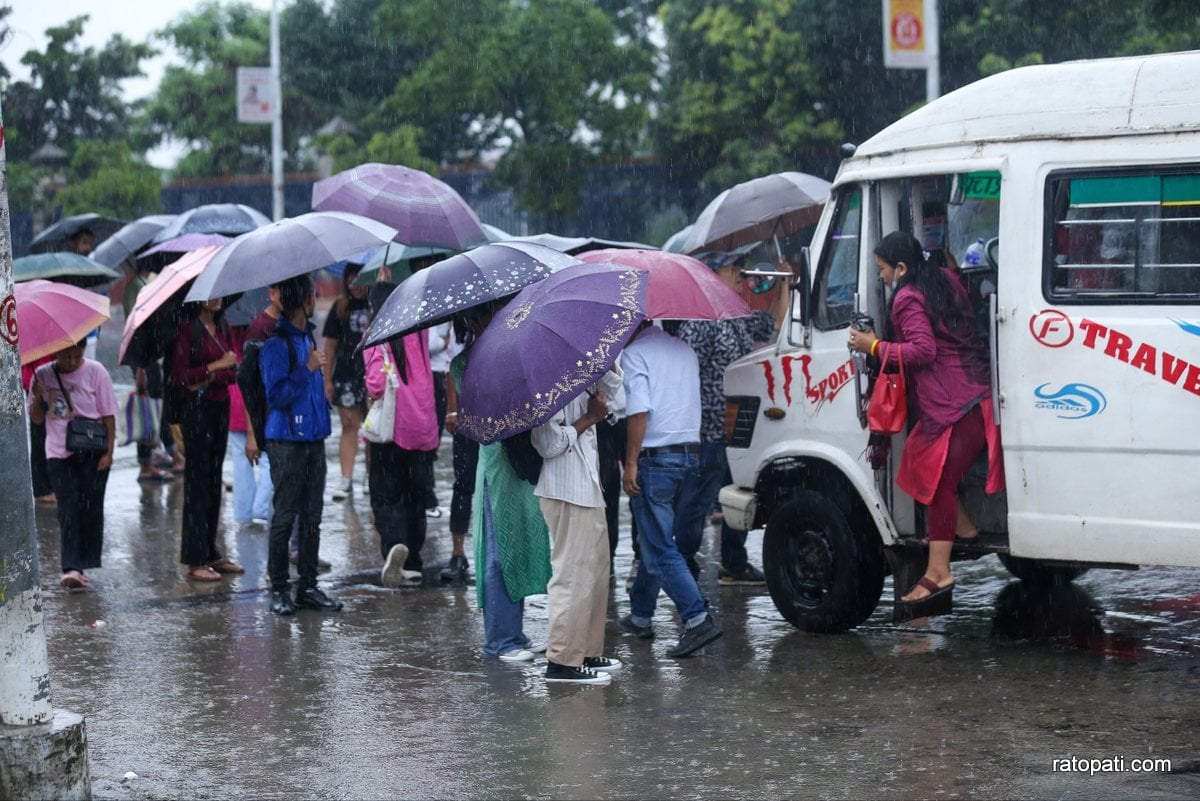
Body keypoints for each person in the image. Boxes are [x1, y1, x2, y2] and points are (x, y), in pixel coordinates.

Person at [847, 231, 1004, 607]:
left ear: (901, 268)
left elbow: (922, 350)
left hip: (957, 403)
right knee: (918, 461)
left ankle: (938, 573)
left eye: (883, 270)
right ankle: (962, 528)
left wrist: (873, 346)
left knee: (937, 484)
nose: (881, 278)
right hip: (973, 392)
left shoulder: (906, 298)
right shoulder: (944, 278)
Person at [675, 253, 788, 586]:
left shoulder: (736, 312)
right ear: (712, 274)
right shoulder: (699, 319)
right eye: (732, 268)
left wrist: (783, 282)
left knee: (737, 494)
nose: (740, 273)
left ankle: (733, 563)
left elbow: (776, 326)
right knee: (697, 502)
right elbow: (685, 374)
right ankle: (681, 567)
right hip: (706, 428)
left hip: (737, 425)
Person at [619, 321, 722, 657]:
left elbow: (638, 411)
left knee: (660, 547)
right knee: (656, 541)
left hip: (655, 460)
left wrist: (630, 461)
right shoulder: (684, 349)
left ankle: (697, 618)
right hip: (689, 457)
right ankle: (640, 615)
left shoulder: (634, 353)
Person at [454, 303, 550, 662]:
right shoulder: (463, 364)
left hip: (521, 464)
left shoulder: (515, 353)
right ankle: (500, 640)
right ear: (475, 321)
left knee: (520, 546)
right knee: (497, 551)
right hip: (496, 463)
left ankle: (514, 632)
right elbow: (486, 414)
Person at [531, 370, 626, 685]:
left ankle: (584, 651)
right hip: (565, 487)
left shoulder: (580, 368)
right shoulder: (549, 378)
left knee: (594, 574)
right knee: (571, 576)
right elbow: (547, 442)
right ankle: (562, 662)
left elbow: (616, 394)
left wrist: (606, 360)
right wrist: (588, 418)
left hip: (587, 484)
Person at [260, 275, 341, 615]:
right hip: (286, 442)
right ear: (305, 300)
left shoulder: (307, 335)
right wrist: (307, 369)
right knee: (285, 516)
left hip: (313, 439)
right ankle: (279, 588)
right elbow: (275, 396)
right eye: (311, 295)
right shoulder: (275, 345)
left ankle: (307, 585)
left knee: (312, 517)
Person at [363, 282, 440, 588]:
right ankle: (415, 561)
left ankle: (395, 548)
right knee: (414, 495)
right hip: (422, 427)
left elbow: (376, 386)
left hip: (392, 430)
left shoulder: (376, 336)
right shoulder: (418, 329)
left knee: (386, 494)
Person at [28, 341, 118, 590]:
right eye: (66, 356)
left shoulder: (97, 371)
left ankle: (84, 562)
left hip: (92, 449)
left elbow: (109, 416)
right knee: (67, 509)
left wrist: (108, 453)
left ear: (83, 351)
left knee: (90, 508)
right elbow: (36, 419)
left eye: (76, 356)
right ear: (56, 352)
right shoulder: (43, 374)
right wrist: (36, 395)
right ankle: (71, 568)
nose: (71, 361)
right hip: (58, 453)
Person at [170, 298, 244, 582]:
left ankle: (212, 552)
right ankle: (194, 558)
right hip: (196, 411)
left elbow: (231, 372)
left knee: (215, 480)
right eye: (209, 293)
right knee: (197, 481)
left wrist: (213, 373)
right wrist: (214, 367)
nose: (216, 299)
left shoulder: (223, 325)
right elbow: (180, 377)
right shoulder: (187, 329)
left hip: (219, 406)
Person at [122, 259, 176, 482]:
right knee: (147, 408)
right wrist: (140, 368)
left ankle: (159, 453)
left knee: (155, 406)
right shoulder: (135, 286)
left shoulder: (147, 282)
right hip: (142, 357)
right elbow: (136, 323)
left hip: (150, 356)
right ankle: (146, 463)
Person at [322, 263, 371, 500]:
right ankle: (346, 478)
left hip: (374, 374)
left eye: (361, 279)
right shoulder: (340, 307)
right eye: (351, 280)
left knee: (373, 429)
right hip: (346, 375)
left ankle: (371, 477)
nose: (357, 286)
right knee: (349, 426)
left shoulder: (378, 305)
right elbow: (330, 346)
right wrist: (327, 380)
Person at [440, 318, 475, 583]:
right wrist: (452, 409)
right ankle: (458, 551)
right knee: (463, 484)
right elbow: (451, 368)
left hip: (496, 418)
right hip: (467, 417)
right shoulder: (461, 323)